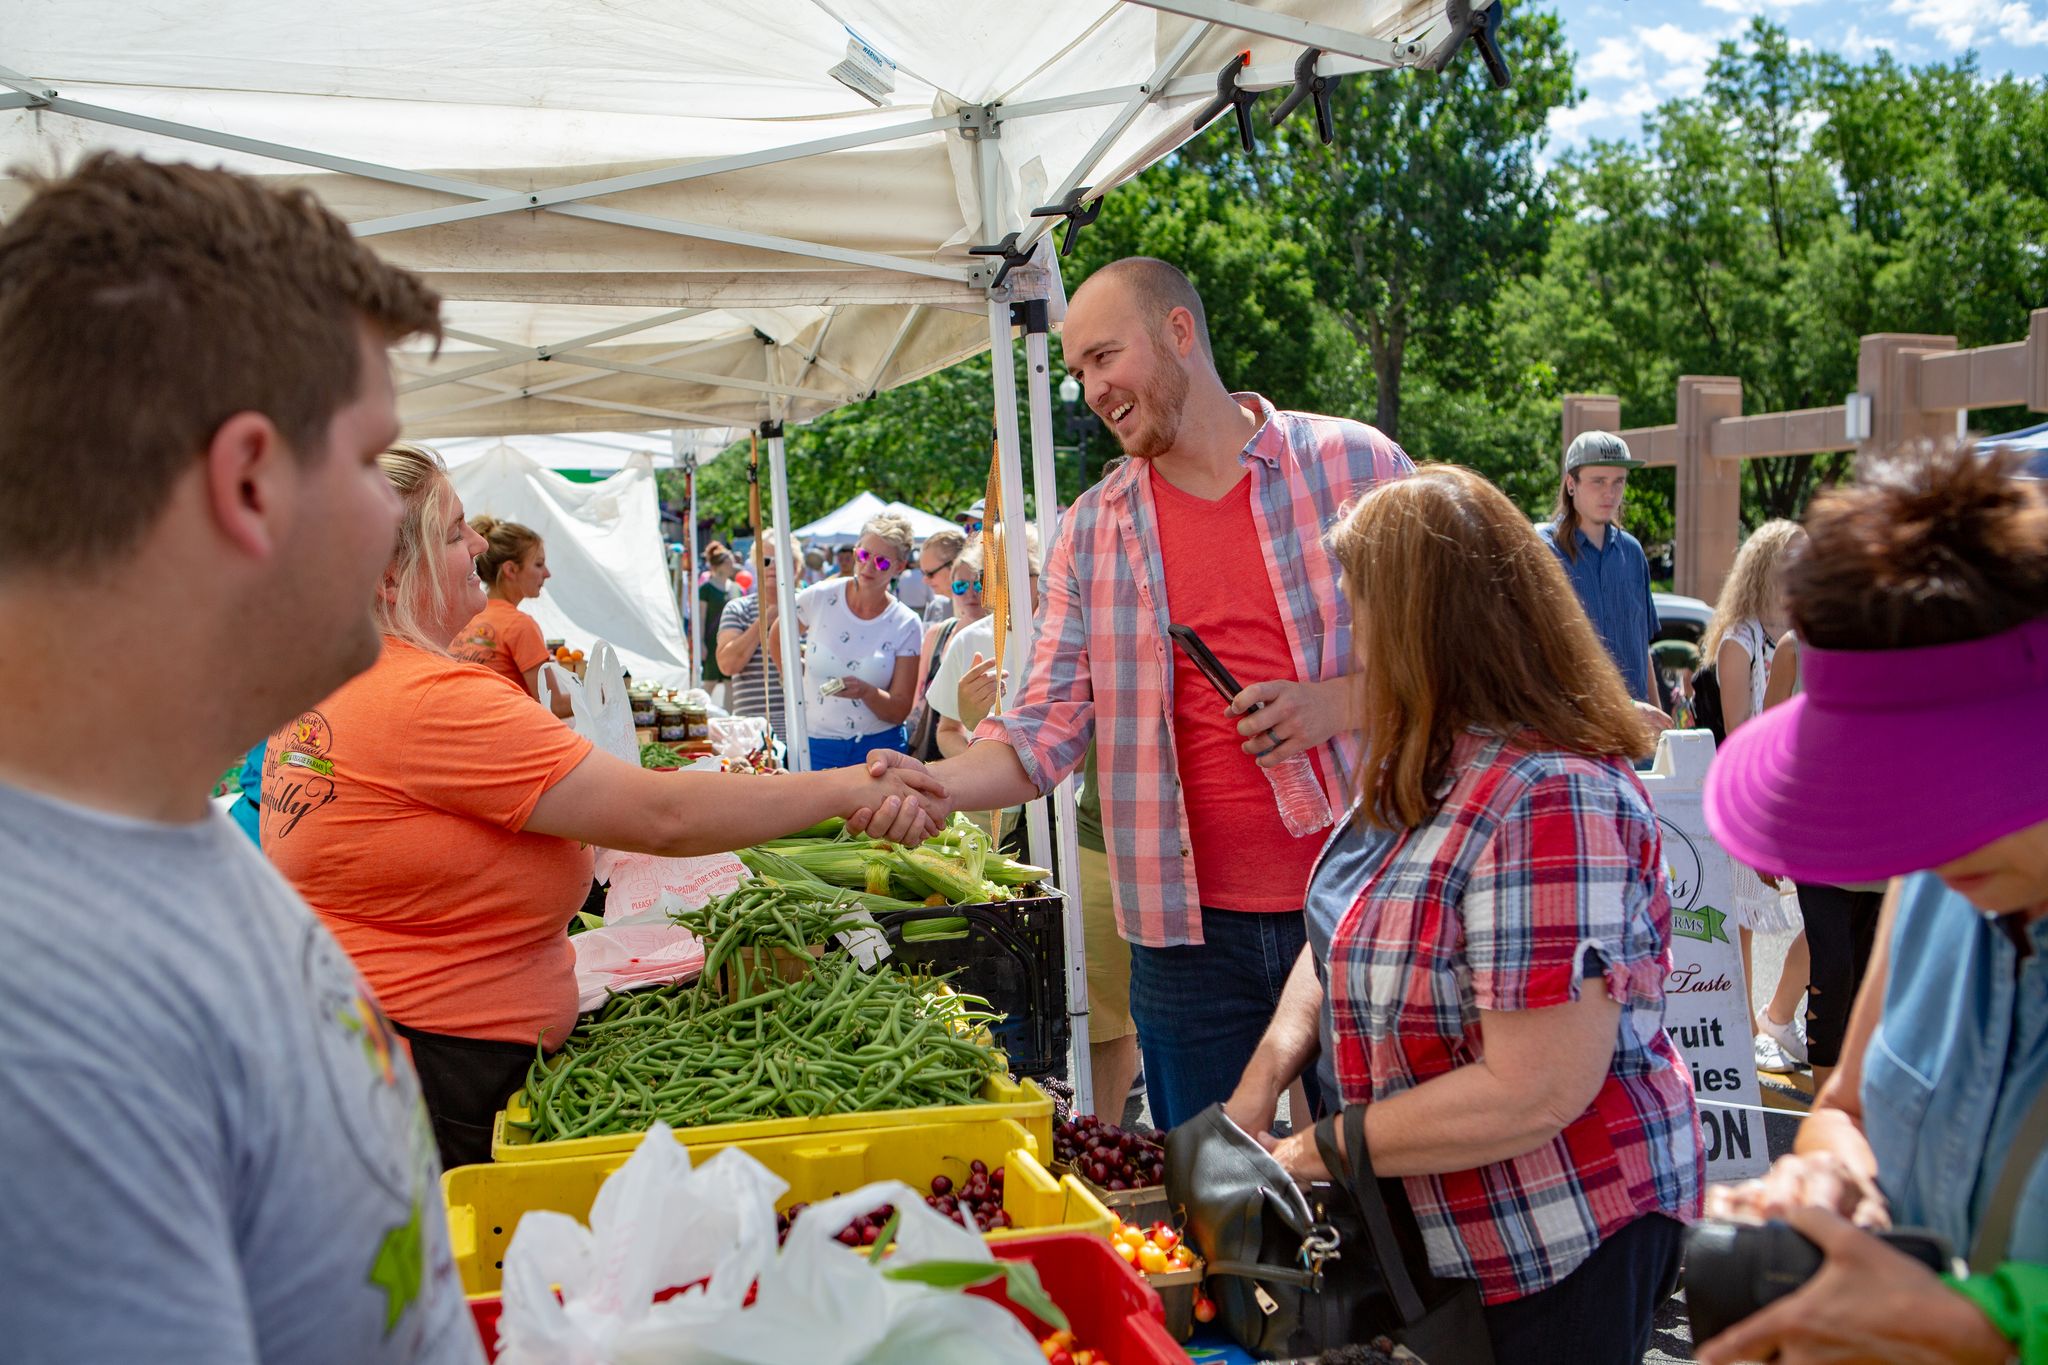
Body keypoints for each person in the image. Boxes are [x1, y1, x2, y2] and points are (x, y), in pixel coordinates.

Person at [0, 153, 481, 1362]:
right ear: (252, 481)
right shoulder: (48, 1028)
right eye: (370, 462)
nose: (389, 521)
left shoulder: (151, 841)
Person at [264, 449, 943, 1167]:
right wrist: (848, 789)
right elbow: (663, 817)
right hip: (433, 1075)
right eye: (455, 531)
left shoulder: (327, 680)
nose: (478, 544)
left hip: (371, 1051)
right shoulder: (428, 699)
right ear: (388, 573)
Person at [861, 256, 1413, 1130]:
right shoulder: (1092, 529)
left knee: (1380, 1175)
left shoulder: (1356, 465)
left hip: (1369, 897)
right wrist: (934, 783)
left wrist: (1336, 703)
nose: (1091, 391)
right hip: (1183, 937)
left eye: (1104, 357)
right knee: (1210, 1181)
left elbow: (1461, 661)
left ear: (1178, 332)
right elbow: (1040, 729)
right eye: (1078, 371)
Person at [1227, 465, 1703, 1365]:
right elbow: (1339, 933)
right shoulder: (1424, 753)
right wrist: (1262, 1084)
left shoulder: (1549, 796)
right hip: (1441, 1236)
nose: (1353, 637)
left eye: (1362, 609)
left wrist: (1316, 1148)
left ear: (1427, 624)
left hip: (1557, 1232)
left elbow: (1533, 1089)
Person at [1699, 442, 2048, 1365]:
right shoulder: (1934, 881)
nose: (1908, 839)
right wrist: (1827, 1174)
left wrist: (1996, 1324)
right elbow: (1847, 1105)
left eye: (1940, 789)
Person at [1701, 519, 1811, 1074]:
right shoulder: (1738, 640)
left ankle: (1773, 1017)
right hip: (1750, 797)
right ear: (1767, 565)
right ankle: (1747, 1031)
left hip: (1792, 795)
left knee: (1817, 913)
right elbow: (1739, 734)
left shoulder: (1801, 633)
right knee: (1740, 919)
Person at [779, 513, 924, 770]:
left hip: (878, 749)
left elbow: (899, 709)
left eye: (881, 562)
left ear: (900, 567)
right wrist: (791, 677)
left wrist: (866, 692)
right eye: (864, 555)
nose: (868, 566)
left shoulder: (907, 622)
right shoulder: (819, 597)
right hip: (814, 743)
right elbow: (778, 634)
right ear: (855, 551)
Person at [1539, 431, 1667, 717]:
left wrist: (1660, 723)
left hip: (1637, 734)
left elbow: (1642, 648)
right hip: (1573, 729)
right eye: (1598, 481)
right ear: (1571, 484)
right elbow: (1540, 657)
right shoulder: (1543, 552)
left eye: (1618, 481)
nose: (1610, 493)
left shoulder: (1632, 552)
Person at [927, 529, 1040, 758]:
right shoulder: (968, 639)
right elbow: (948, 730)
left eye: (1015, 572)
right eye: (988, 574)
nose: (1001, 585)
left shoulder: (1071, 637)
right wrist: (981, 765)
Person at [453, 515, 552, 701]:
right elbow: (552, 703)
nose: (547, 574)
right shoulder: (520, 626)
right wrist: (601, 693)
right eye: (539, 564)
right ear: (511, 570)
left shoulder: (464, 617)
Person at [906, 531, 982, 762]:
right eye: (960, 586)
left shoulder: (1002, 633)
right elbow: (920, 701)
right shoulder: (940, 632)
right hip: (936, 753)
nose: (925, 581)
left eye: (930, 573)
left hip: (978, 754)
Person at [715, 528, 789, 739]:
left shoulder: (808, 607)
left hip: (805, 732)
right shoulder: (738, 609)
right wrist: (765, 620)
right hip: (752, 736)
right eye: (765, 561)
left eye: (780, 560)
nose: (772, 567)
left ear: (796, 567)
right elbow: (727, 665)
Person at [697, 544, 740, 701]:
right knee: (710, 682)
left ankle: (728, 715)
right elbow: (701, 618)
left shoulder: (736, 588)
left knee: (731, 683)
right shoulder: (706, 589)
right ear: (720, 565)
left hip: (732, 642)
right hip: (712, 642)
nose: (733, 565)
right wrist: (701, 643)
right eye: (729, 562)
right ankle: (698, 712)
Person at [918, 526, 967, 625]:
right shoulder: (936, 607)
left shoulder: (984, 609)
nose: (925, 580)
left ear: (954, 565)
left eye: (930, 574)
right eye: (923, 573)